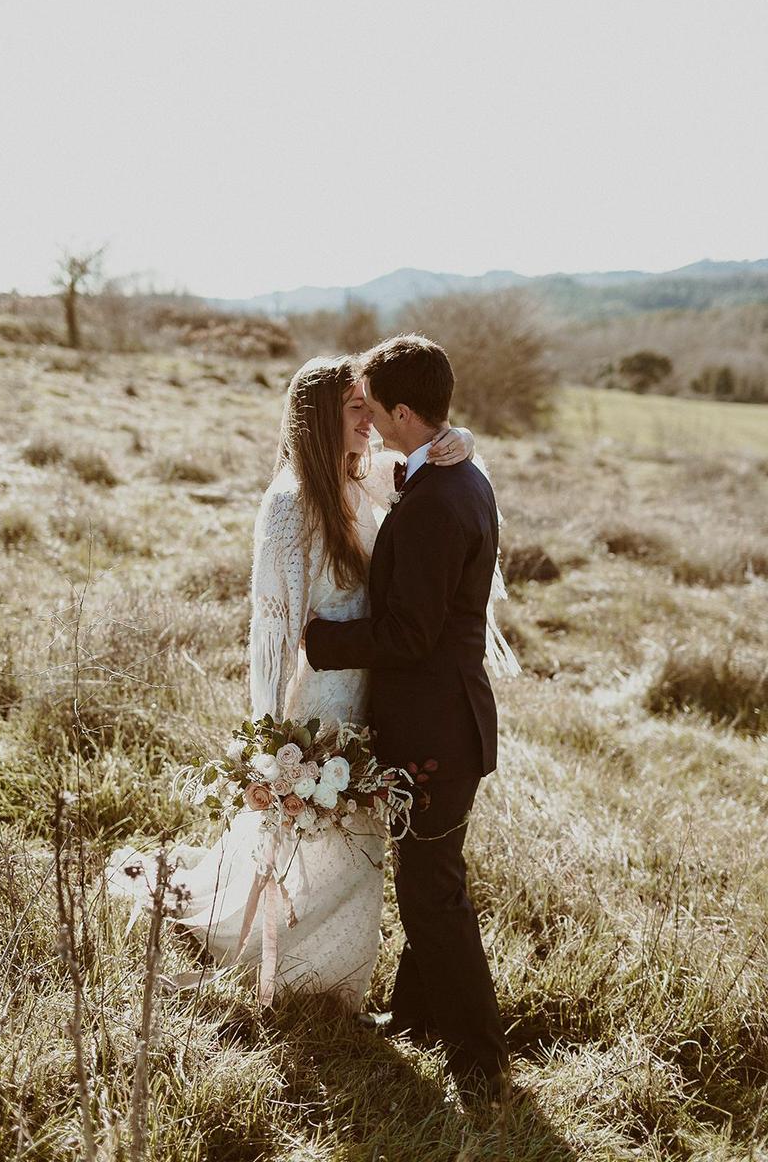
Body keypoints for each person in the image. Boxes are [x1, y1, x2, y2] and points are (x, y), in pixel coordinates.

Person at [106, 353, 475, 1010]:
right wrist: (269, 747)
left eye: (371, 407)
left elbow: (434, 468)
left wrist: (461, 439)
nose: (369, 421)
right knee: (309, 838)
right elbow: (271, 640)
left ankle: (340, 978)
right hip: (319, 706)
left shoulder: (373, 481)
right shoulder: (288, 507)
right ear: (317, 420)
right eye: (354, 409)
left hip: (378, 699)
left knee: (358, 844)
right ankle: (288, 971)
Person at [304, 335, 519, 1094]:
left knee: (432, 890)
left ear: (402, 411)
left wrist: (319, 639)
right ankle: (418, 1017)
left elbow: (407, 634)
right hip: (447, 719)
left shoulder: (439, 499)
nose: (366, 417)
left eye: (373, 406)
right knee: (426, 876)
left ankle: (480, 1059)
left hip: (436, 728)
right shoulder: (455, 472)